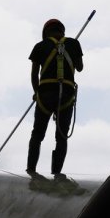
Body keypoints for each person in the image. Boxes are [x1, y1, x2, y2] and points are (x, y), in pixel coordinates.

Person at [27, 18, 84, 176]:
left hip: (45, 94)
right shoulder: (73, 44)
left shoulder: (39, 46)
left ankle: (31, 170)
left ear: (45, 33)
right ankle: (56, 174)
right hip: (66, 94)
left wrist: (36, 93)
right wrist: (71, 53)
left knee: (37, 134)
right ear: (62, 31)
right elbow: (80, 68)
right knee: (61, 137)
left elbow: (34, 75)